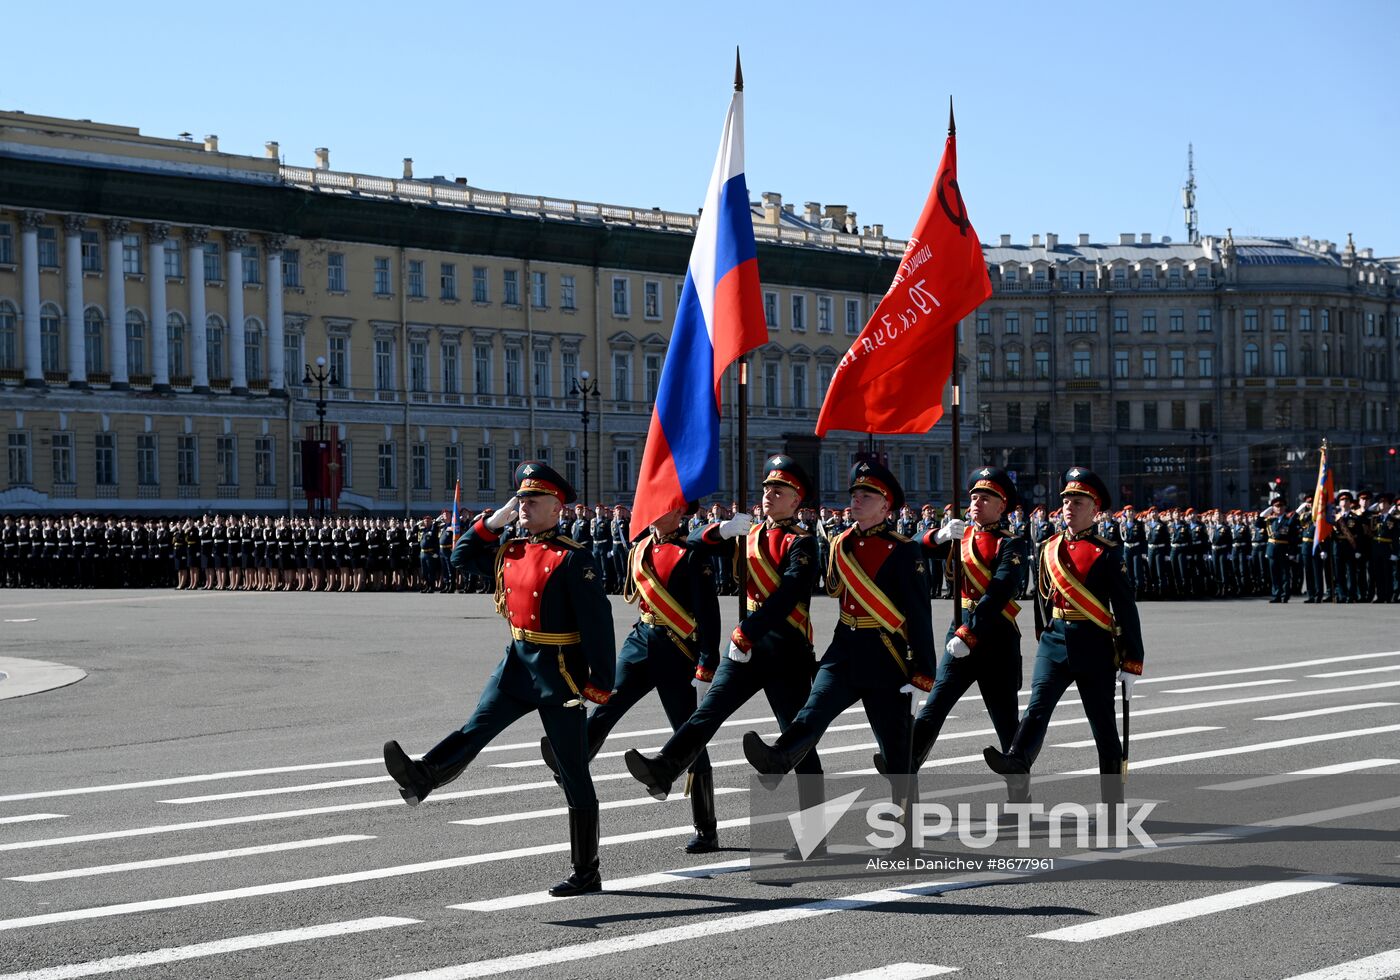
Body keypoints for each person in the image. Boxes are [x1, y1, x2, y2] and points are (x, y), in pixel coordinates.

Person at [383, 461, 616, 897]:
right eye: (521, 499)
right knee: (477, 727)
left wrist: (600, 680)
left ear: (557, 507)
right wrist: (493, 522)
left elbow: (598, 624)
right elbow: (460, 556)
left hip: (559, 670)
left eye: (533, 500)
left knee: (572, 770)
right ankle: (423, 776)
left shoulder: (573, 557)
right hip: (518, 662)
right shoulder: (513, 548)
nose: (524, 506)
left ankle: (587, 871)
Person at [624, 455, 824, 818]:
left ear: (797, 500)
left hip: (786, 650)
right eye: (766, 489)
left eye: (779, 491)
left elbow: (788, 596)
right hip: (746, 650)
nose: (769, 495)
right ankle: (666, 767)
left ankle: (814, 824)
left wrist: (747, 631)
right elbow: (695, 540)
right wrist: (725, 529)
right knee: (707, 712)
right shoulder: (748, 533)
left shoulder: (802, 543)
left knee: (797, 741)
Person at [744, 460, 933, 807]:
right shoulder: (840, 543)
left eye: (867, 495)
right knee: (811, 714)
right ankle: (778, 758)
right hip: (845, 648)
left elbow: (920, 614)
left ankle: (906, 835)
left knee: (896, 753)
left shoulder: (905, 549)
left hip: (886, 655)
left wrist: (924, 671)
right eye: (855, 494)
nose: (856, 500)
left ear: (886, 505)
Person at [541, 500, 722, 853]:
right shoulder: (640, 547)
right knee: (606, 704)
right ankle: (571, 762)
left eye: (667, 506)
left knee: (687, 734)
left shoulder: (692, 554)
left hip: (677, 649)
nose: (657, 511)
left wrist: (706, 663)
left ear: (680, 514)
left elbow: (708, 614)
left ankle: (706, 828)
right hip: (642, 641)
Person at [983, 467, 1146, 808]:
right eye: (1067, 500)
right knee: (1037, 707)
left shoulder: (1108, 552)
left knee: (1103, 727)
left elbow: (1125, 608)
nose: (1069, 506)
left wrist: (1132, 660)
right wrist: (1044, 637)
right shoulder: (1049, 547)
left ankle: (1113, 806)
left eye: (1078, 500)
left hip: (1095, 644)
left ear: (1095, 508)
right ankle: (1017, 759)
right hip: (1056, 640)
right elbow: (1043, 598)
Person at [868, 465, 1028, 800]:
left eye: (986, 498)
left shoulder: (1012, 544)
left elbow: (999, 592)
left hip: (994, 640)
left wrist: (969, 633)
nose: (976, 503)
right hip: (959, 639)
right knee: (934, 707)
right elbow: (907, 547)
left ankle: (1019, 796)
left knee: (1006, 723)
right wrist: (937, 536)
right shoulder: (961, 537)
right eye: (973, 497)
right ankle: (906, 762)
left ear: (1002, 507)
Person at [1265, 495, 1298, 603]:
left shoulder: (1288, 520)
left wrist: (1292, 552)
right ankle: (1276, 595)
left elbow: (1293, 537)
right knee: (1274, 574)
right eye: (1276, 506)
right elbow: (1258, 523)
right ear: (1273, 508)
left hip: (1284, 549)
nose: (1279, 508)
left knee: (1285, 574)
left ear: (1284, 507)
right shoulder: (1269, 520)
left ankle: (1285, 595)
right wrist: (1268, 510)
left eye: (1281, 506)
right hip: (1272, 550)